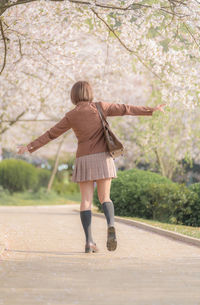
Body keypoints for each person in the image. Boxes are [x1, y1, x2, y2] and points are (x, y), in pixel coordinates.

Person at [17, 80, 166, 253]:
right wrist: (151, 110)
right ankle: (110, 225)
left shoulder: (71, 115)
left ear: (73, 96)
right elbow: (126, 109)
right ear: (90, 93)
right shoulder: (101, 107)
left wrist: (30, 147)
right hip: (103, 158)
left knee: (85, 201)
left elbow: (52, 133)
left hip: (84, 159)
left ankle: (89, 242)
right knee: (105, 198)